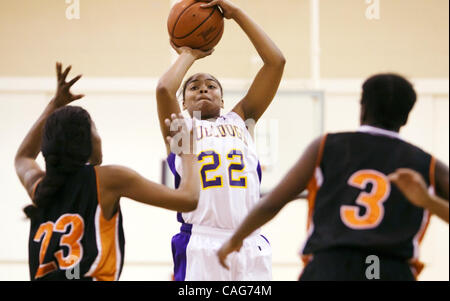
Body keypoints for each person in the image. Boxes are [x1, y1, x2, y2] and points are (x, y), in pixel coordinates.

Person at [217, 73, 449, 281]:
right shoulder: (427, 164)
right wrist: (429, 202)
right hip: (390, 270)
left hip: (330, 265)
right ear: (406, 116)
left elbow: (273, 201)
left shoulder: (327, 146)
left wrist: (235, 239)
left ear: (363, 107)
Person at [15, 63, 199, 281]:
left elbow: (23, 157)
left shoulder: (40, 187)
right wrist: (187, 151)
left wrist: (54, 106)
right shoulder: (107, 179)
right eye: (95, 129)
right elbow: (188, 200)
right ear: (86, 141)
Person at [156, 0, 285, 280]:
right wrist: (189, 53)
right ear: (183, 101)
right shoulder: (180, 127)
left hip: (250, 243)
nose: (203, 88)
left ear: (223, 99)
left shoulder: (241, 119)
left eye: (211, 85)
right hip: (201, 242)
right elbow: (164, 88)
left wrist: (237, 14)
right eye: (193, 86)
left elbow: (276, 62)